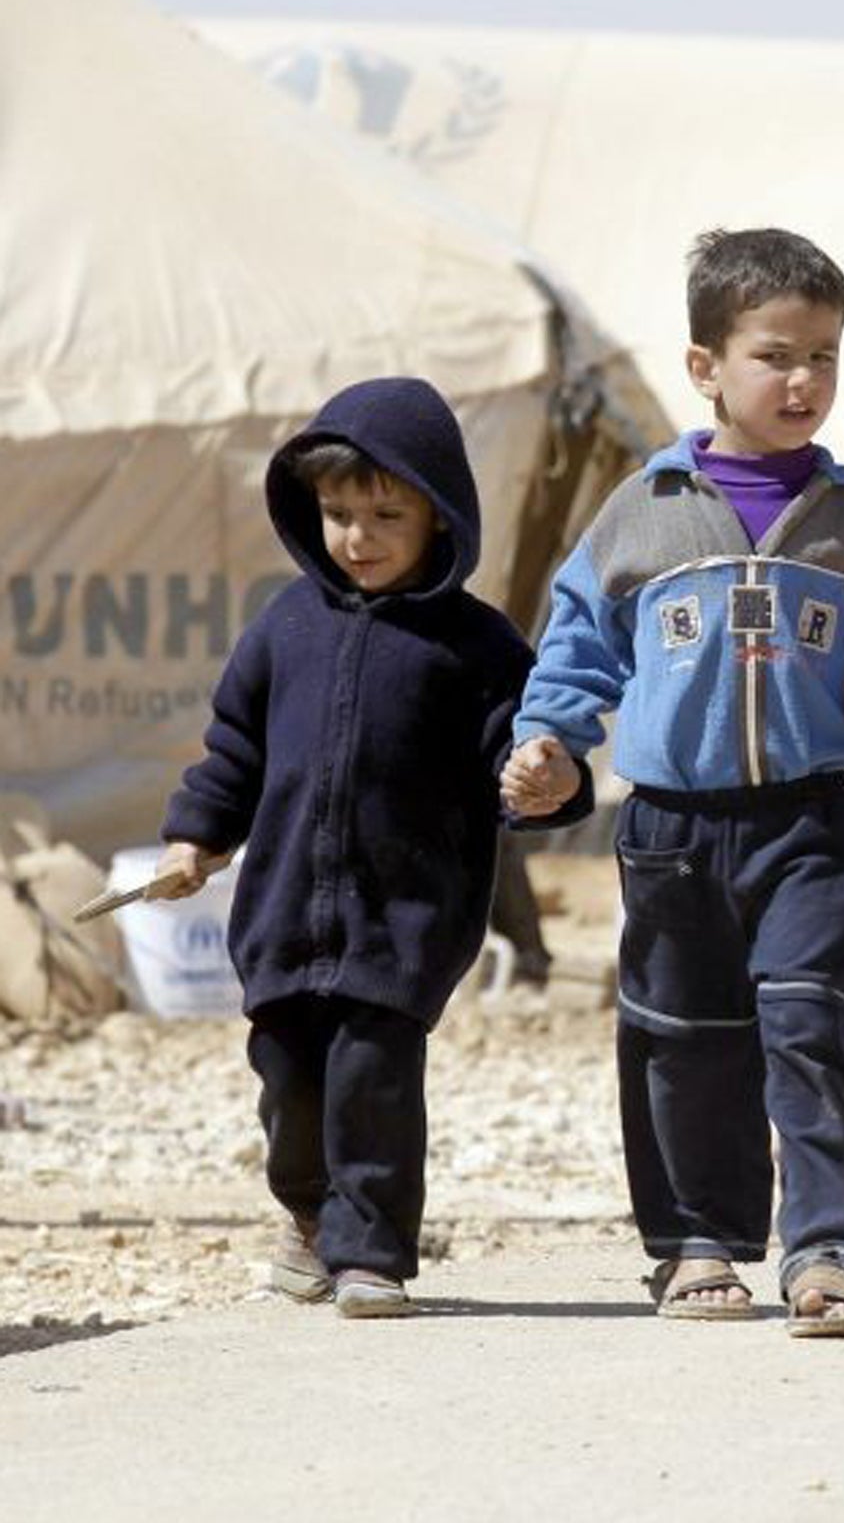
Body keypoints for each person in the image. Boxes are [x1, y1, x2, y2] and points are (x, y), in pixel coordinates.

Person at [500, 227, 844, 1336]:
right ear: (704, 366)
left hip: (805, 821)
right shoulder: (641, 509)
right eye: (775, 355)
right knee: (682, 1038)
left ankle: (827, 1251)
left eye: (824, 356)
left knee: (805, 1029)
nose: (803, 380)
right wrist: (550, 736)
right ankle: (696, 1242)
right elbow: (575, 644)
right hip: (666, 826)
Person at [152, 377, 591, 1319]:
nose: (358, 535)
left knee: (374, 1083)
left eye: (386, 513)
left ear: (441, 515)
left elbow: (525, 758)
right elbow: (235, 746)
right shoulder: (283, 627)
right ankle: (307, 1216)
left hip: (402, 920)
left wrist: (550, 783)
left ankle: (369, 1251)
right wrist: (197, 835)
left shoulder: (478, 647)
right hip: (279, 917)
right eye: (340, 512)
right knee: (289, 1092)